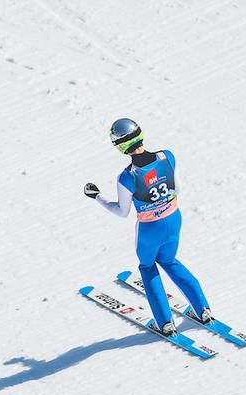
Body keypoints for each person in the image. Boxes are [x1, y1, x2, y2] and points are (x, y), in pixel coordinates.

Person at [83, 118, 212, 337]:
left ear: (121, 146)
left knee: (147, 267)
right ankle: (203, 309)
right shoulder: (167, 156)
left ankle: (165, 323)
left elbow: (122, 212)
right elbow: (177, 188)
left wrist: (98, 197)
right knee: (170, 261)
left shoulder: (127, 177)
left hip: (149, 230)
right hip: (174, 219)